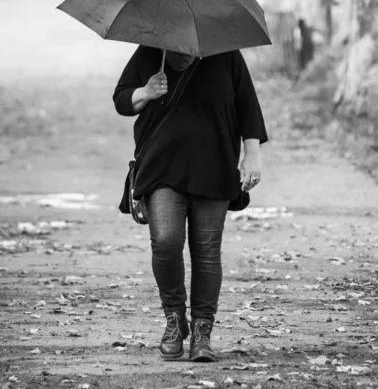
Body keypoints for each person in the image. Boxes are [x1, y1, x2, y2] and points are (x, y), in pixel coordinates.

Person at [113, 46, 268, 362]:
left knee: (207, 250)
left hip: (215, 166)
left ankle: (201, 331)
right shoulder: (150, 53)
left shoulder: (226, 55)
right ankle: (174, 318)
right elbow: (122, 100)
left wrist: (252, 154)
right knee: (166, 242)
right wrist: (146, 91)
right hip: (162, 168)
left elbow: (248, 106)